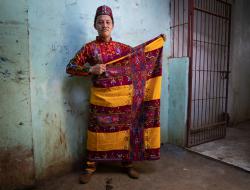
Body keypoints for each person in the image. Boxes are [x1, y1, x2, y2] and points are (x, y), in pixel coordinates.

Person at [66, 5, 165, 184]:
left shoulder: (123, 49)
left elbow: (140, 58)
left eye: (108, 22)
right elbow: (70, 68)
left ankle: (127, 164)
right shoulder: (89, 49)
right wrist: (90, 70)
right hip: (100, 103)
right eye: (100, 22)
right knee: (96, 134)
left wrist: (156, 43)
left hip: (123, 103)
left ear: (113, 25)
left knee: (124, 132)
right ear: (95, 25)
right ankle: (90, 166)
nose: (104, 25)